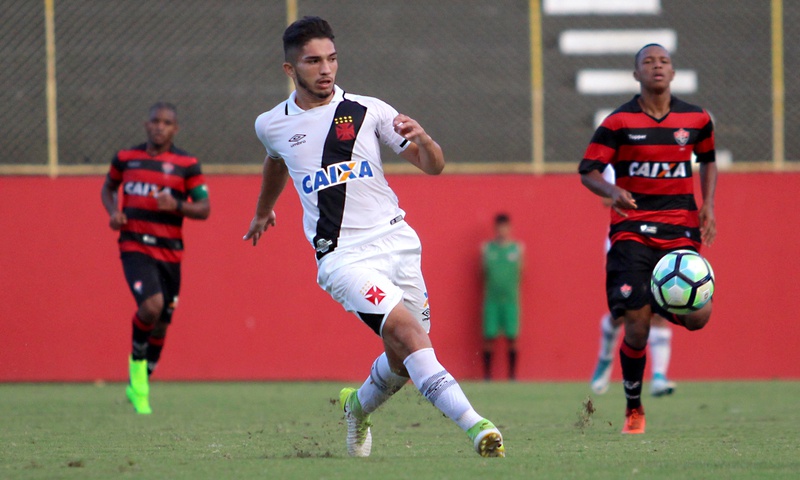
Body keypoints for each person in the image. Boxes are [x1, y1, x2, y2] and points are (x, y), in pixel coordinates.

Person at [243, 17, 504, 458]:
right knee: (409, 334)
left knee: (404, 359)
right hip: (341, 256)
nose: (325, 69)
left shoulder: (368, 110)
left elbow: (433, 165)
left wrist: (426, 139)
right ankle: (475, 426)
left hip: (398, 243)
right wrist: (264, 209)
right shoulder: (272, 124)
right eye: (313, 61)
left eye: (331, 58)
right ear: (290, 69)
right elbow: (274, 161)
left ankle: (356, 408)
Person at [578, 44, 717, 434]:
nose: (657, 66)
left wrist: (708, 206)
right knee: (636, 326)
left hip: (681, 230)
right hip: (632, 230)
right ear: (636, 75)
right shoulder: (619, 122)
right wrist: (611, 191)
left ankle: (650, 301)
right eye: (648, 62)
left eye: (664, 61)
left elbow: (708, 160)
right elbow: (587, 170)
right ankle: (634, 408)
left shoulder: (697, 118)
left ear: (673, 72)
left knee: (699, 317)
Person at [100, 102, 210, 414]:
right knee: (150, 306)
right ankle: (137, 374)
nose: (159, 127)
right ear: (146, 125)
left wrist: (176, 204)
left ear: (175, 129)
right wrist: (113, 213)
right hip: (134, 246)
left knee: (161, 325)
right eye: (155, 121)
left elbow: (204, 209)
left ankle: (140, 381)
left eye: (166, 123)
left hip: (170, 253)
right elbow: (108, 188)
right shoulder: (125, 158)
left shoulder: (186, 164)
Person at [590, 165, 677, 397]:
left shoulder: (661, 157)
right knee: (626, 313)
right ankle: (605, 357)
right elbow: (606, 198)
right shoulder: (616, 161)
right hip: (624, 244)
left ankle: (659, 376)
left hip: (657, 240)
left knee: (659, 308)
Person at [481, 213, 523, 381]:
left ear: (509, 228)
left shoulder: (517, 249)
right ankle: (487, 377)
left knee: (512, 336)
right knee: (489, 336)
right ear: (495, 228)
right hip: (492, 300)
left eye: (505, 227)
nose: (502, 230)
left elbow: (521, 272)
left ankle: (512, 376)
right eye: (499, 227)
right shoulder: (487, 249)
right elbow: (482, 273)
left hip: (511, 300)